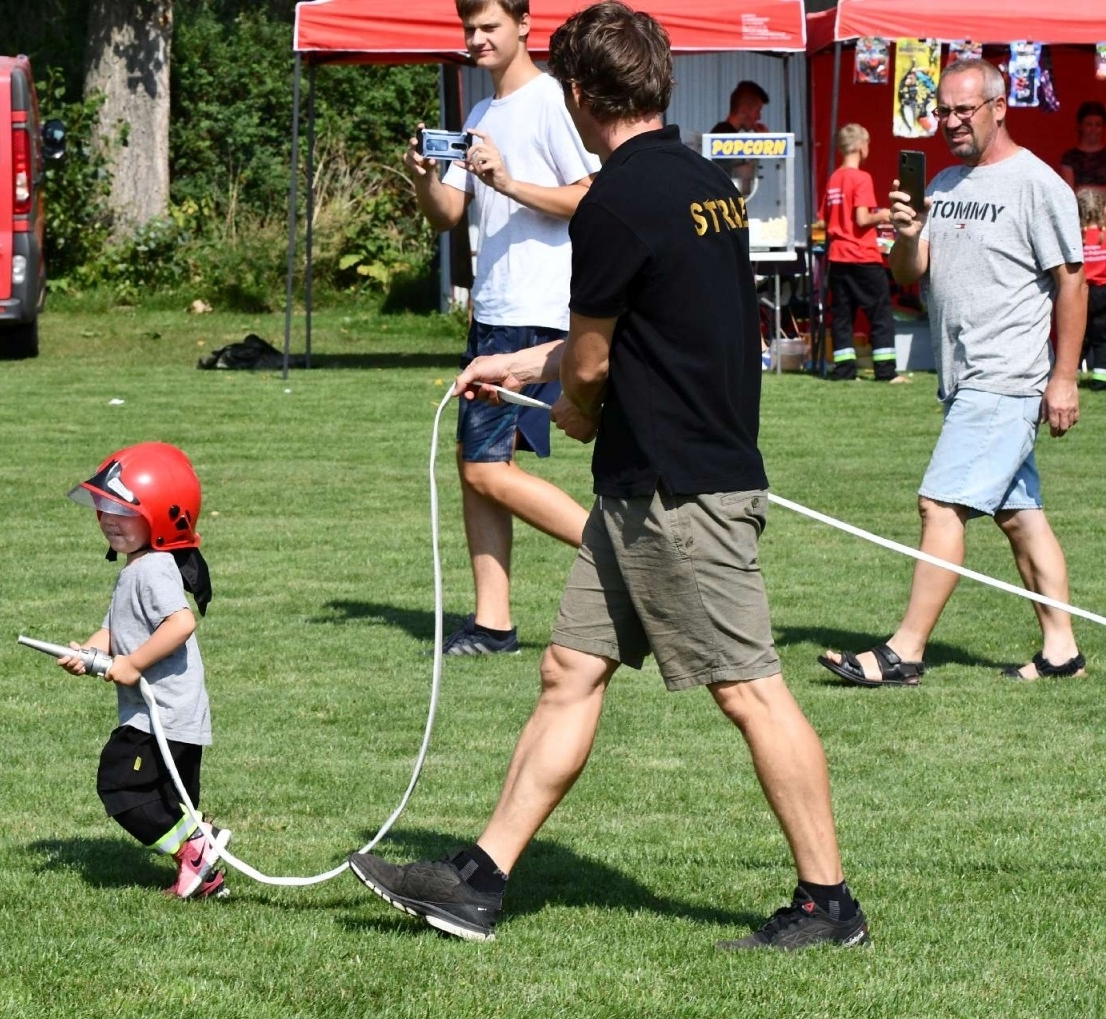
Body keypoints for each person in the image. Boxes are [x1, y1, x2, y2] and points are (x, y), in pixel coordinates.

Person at [349, 2, 868, 951]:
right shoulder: (703, 183)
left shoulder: (616, 200)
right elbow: (637, 330)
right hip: (648, 487)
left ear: (582, 94)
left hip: (681, 493)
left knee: (749, 688)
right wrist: (514, 367)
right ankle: (480, 878)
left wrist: (571, 408)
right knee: (568, 671)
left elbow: (592, 368)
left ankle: (828, 905)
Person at [820, 59, 1087, 687]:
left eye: (964, 110)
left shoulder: (1036, 183)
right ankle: (1061, 650)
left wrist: (1065, 377)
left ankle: (904, 652)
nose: (950, 122)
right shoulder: (939, 183)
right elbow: (911, 273)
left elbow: (1071, 284)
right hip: (963, 380)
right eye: (942, 110)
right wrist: (910, 233)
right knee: (1020, 514)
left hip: (1006, 377)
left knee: (939, 503)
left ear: (1000, 108)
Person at [407, 0, 599, 656]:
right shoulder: (481, 114)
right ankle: (493, 622)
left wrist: (510, 182)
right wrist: (425, 180)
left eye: (488, 26)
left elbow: (590, 198)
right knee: (477, 466)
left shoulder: (550, 101)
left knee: (486, 468)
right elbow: (448, 214)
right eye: (468, 28)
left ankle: (619, 553)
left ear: (523, 25)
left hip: (537, 313)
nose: (476, 39)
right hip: (491, 311)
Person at [54, 442, 230, 900]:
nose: (108, 519)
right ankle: (200, 868)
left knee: (121, 786)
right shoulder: (138, 567)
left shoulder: (152, 569)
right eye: (104, 508)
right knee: (172, 803)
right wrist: (89, 652)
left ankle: (196, 849)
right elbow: (115, 628)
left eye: (123, 511)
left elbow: (181, 622)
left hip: (162, 717)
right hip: (169, 717)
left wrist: (132, 664)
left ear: (162, 516)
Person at [823, 123, 898, 381]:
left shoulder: (834, 178)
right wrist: (886, 214)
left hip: (837, 256)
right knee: (880, 313)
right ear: (859, 146)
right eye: (867, 144)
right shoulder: (861, 178)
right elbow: (863, 218)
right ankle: (886, 371)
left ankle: (844, 370)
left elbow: (824, 218)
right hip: (863, 256)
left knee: (842, 316)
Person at [710, 80, 769, 196]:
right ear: (743, 110)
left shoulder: (725, 133)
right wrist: (761, 145)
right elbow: (744, 186)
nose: (759, 117)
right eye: (757, 111)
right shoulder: (724, 136)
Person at [1077, 186, 1106, 389]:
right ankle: (1100, 379)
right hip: (1104, 292)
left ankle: (1072, 372)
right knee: (1102, 336)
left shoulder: (1076, 236)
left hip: (1080, 292)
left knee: (1078, 334)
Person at [1058, 100, 1106, 191]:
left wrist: (1084, 189)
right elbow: (1069, 194)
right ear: (1080, 126)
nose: (1093, 129)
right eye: (1089, 124)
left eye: (1098, 125)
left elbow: (1079, 191)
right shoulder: (1069, 158)